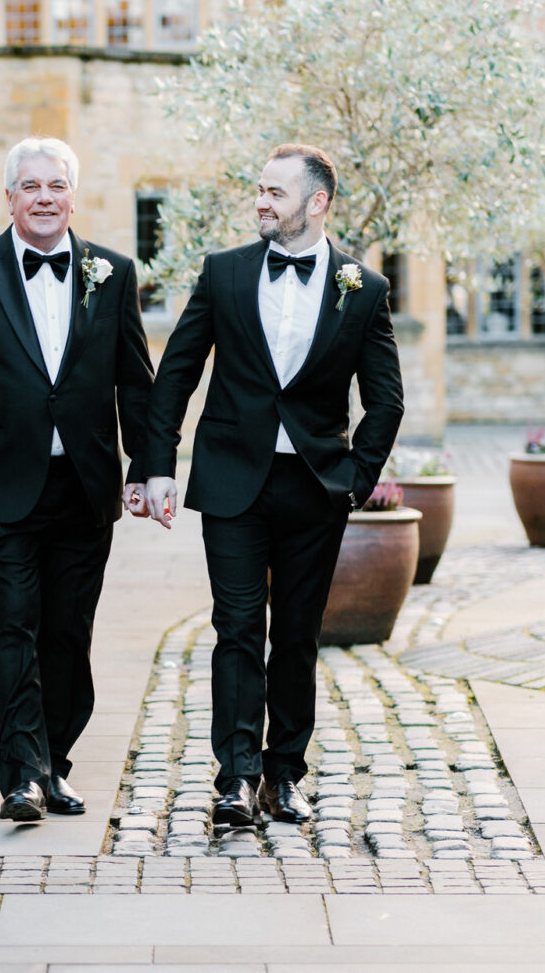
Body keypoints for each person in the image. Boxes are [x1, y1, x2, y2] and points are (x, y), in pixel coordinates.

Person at [141, 144, 403, 828]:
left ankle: (284, 775)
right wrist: (159, 465)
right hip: (231, 481)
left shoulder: (363, 289)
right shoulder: (223, 273)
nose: (261, 201)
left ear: (316, 203)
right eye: (259, 190)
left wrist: (354, 480)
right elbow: (178, 373)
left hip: (315, 487)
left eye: (276, 193)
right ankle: (234, 776)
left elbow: (386, 400)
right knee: (235, 629)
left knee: (295, 634)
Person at [0, 137, 154, 822]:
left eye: (55, 186)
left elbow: (135, 382)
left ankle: (55, 760)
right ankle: (22, 776)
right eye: (29, 186)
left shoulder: (112, 273)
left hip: (87, 486)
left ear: (72, 195)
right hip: (3, 482)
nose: (43, 198)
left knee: (68, 632)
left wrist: (149, 468)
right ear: (10, 197)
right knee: (14, 624)